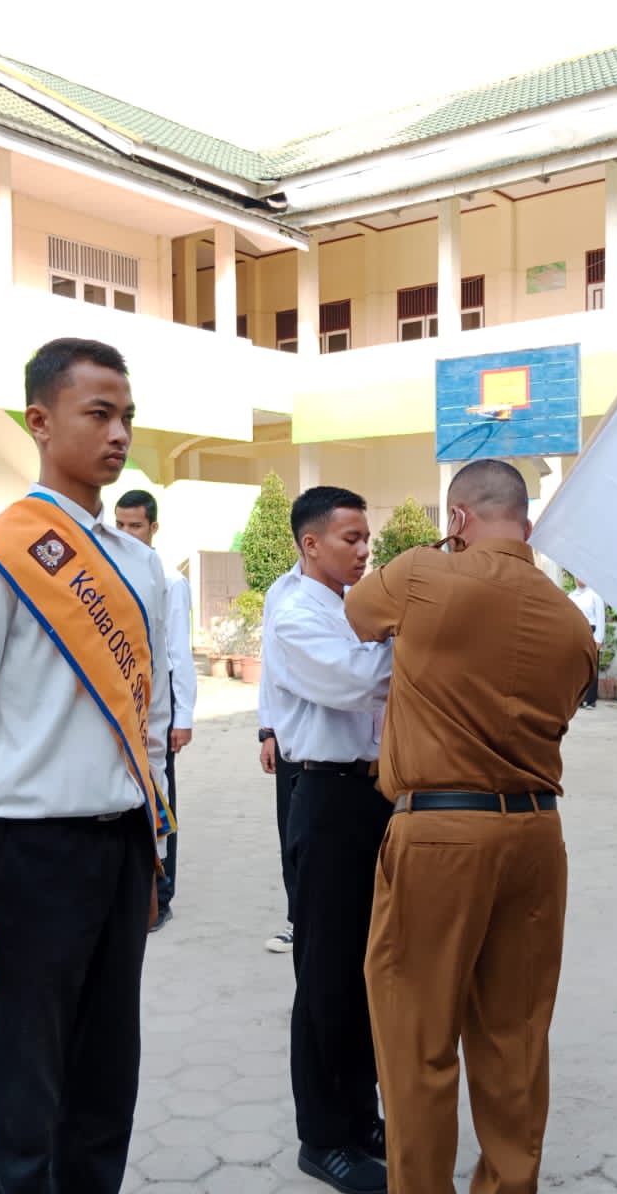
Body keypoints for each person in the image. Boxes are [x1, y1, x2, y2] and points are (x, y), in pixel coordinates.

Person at [0, 338, 172, 1194]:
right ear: (41, 419)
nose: (118, 433)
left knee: (104, 1092)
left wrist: (158, 855)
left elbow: (151, 719)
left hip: (121, 851)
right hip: (30, 860)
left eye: (126, 415)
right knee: (26, 1106)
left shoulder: (137, 564)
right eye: (98, 413)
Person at [345, 459, 597, 1194]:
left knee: (417, 1035)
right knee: (515, 1039)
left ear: (457, 518)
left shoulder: (424, 574)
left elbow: (358, 615)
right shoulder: (571, 619)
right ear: (524, 521)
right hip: (536, 835)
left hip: (441, 834)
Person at [265, 485, 392, 1194]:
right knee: (324, 975)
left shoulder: (354, 601)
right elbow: (357, 681)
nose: (364, 549)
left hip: (372, 796)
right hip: (326, 798)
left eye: (365, 537)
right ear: (311, 543)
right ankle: (323, 1136)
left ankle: (360, 1112)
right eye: (350, 538)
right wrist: (431, 643)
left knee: (369, 970)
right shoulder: (296, 613)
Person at [114, 489, 195, 932]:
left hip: (158, 694)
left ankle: (161, 893)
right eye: (120, 525)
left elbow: (178, 653)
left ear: (153, 528)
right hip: (121, 693)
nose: (126, 534)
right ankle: (132, 885)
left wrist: (182, 717)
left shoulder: (168, 578)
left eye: (136, 526)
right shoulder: (108, 571)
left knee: (160, 792)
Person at [256, 554, 304, 954]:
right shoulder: (281, 591)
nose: (360, 549)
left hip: (347, 745)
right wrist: (267, 730)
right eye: (349, 537)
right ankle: (296, 919)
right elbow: (269, 665)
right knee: (291, 830)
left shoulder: (361, 591)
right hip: (289, 734)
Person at [567, 576, 605, 708]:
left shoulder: (595, 594)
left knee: (591, 666)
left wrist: (598, 639)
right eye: (577, 577)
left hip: (591, 632)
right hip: (576, 633)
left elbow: (600, 617)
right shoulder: (571, 596)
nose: (580, 580)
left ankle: (590, 699)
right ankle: (578, 698)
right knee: (578, 668)